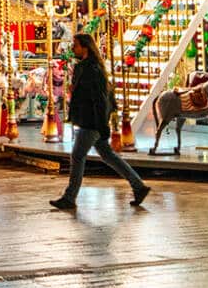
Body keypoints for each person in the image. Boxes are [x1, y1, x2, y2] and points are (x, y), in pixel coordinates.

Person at [51, 32, 150, 212]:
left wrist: (102, 124)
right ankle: (139, 186)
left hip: (91, 121)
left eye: (76, 45)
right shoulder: (87, 67)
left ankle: (69, 197)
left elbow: (100, 98)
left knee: (77, 156)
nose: (73, 48)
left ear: (85, 47)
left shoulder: (92, 69)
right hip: (90, 119)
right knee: (108, 156)